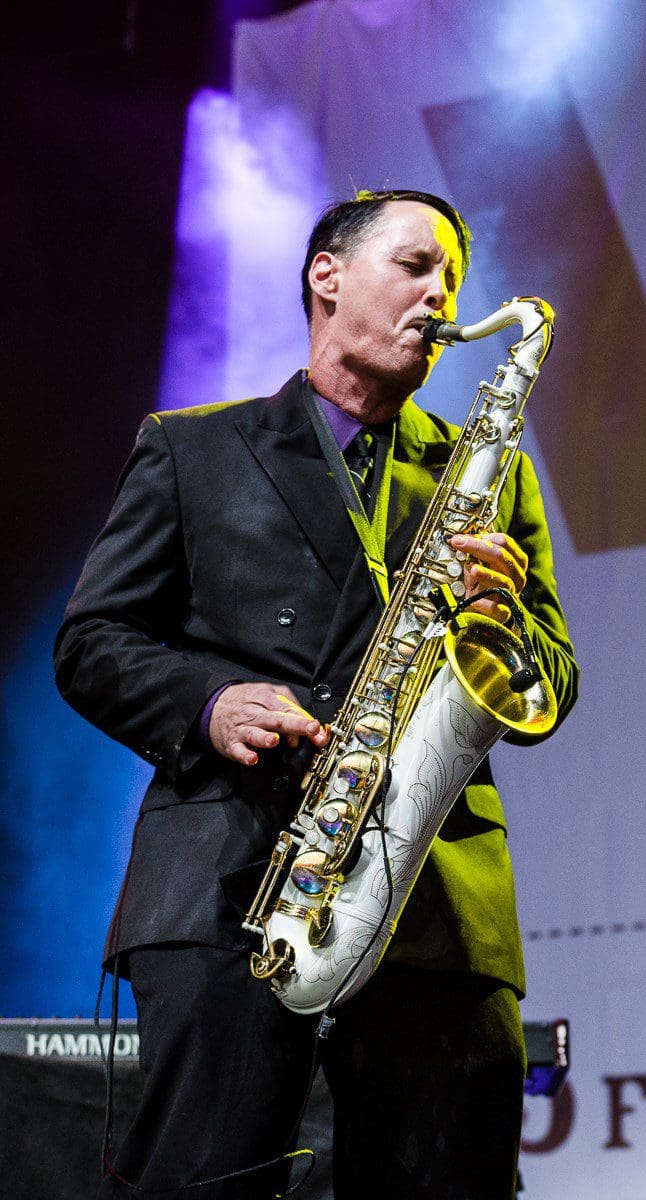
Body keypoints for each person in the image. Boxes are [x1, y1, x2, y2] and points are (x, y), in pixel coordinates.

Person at [54, 188, 578, 1200]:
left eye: (453, 278)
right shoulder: (192, 447)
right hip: (230, 883)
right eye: (416, 266)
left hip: (435, 903)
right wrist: (210, 702)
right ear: (325, 275)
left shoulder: (488, 473)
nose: (441, 295)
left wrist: (502, 617)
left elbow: (548, 685)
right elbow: (90, 644)